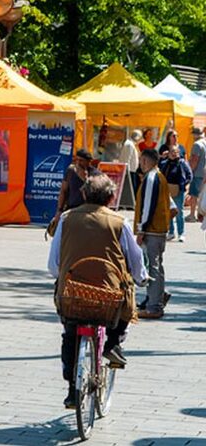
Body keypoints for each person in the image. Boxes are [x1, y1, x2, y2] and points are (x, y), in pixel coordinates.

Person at [48, 174, 148, 409]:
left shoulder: (66, 219)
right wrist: (141, 277)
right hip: (109, 298)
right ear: (112, 197)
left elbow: (53, 265)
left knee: (70, 332)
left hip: (71, 293)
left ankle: (72, 388)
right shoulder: (119, 222)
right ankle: (113, 343)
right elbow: (135, 260)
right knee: (126, 303)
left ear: (83, 194)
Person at [134, 148, 176, 319]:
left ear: (145, 161)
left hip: (152, 230)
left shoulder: (151, 178)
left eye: (141, 161)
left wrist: (141, 229)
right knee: (155, 265)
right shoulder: (160, 177)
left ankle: (154, 306)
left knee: (153, 266)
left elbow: (148, 206)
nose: (140, 164)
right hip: (158, 230)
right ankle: (157, 296)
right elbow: (173, 208)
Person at [159, 142, 191, 242]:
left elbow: (189, 175)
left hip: (178, 190)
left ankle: (181, 233)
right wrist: (161, 158)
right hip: (167, 190)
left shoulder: (182, 163)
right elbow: (158, 172)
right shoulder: (165, 163)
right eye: (172, 151)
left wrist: (184, 185)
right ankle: (171, 232)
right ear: (168, 153)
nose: (174, 153)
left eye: (176, 151)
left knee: (179, 212)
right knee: (169, 211)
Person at [56, 149, 97, 216]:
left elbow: (92, 195)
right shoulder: (71, 171)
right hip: (71, 210)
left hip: (86, 212)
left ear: (88, 162)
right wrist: (59, 210)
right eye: (76, 160)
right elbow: (63, 191)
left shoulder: (95, 174)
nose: (78, 163)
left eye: (81, 160)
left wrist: (84, 178)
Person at [188, 127, 206, 222]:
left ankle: (192, 215)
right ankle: (201, 214)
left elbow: (195, 159)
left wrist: (190, 171)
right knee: (202, 194)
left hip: (197, 173)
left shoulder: (196, 144)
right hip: (204, 172)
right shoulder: (205, 142)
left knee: (194, 195)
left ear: (195, 134)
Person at [120, 129, 143, 195]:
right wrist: (127, 174)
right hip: (129, 172)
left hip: (132, 171)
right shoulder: (129, 145)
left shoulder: (131, 144)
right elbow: (127, 160)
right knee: (130, 191)